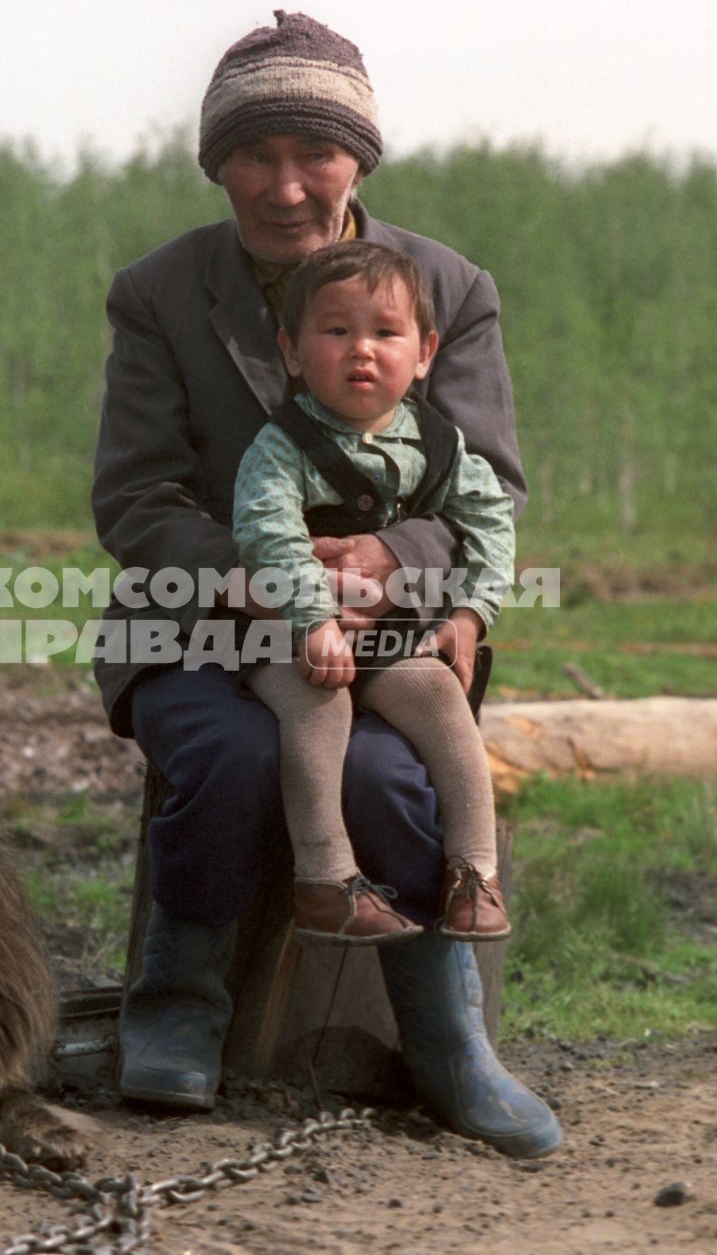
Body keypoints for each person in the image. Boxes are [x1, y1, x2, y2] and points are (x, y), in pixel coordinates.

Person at [90, 10, 562, 1159]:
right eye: (255, 155)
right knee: (231, 757)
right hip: (201, 622)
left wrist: (394, 557)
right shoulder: (160, 293)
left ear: (359, 161)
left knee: (397, 779)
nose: (286, 185)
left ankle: (447, 1042)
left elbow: (488, 479)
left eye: (315, 154)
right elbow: (137, 495)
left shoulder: (448, 286)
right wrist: (258, 576)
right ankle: (177, 1006)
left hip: (385, 633)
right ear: (218, 165)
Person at [234, 240, 512, 947]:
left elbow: (489, 523)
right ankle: (326, 879)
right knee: (317, 703)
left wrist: (470, 614)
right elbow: (269, 534)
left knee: (442, 697)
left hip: (391, 628)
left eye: (385, 333)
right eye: (336, 332)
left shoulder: (440, 444)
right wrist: (312, 619)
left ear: (424, 353)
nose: (362, 350)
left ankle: (475, 874)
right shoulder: (280, 446)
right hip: (288, 631)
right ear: (293, 352)